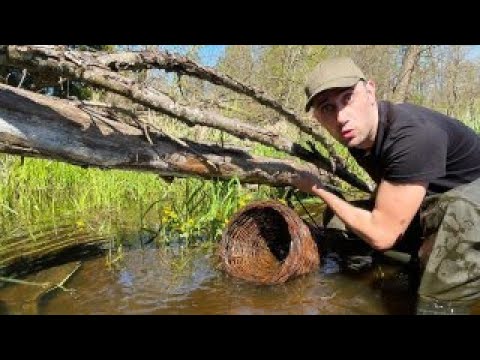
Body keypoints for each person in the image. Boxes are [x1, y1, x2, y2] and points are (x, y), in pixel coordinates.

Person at [292, 56, 480, 314]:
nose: (341, 116)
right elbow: (392, 187)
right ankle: (394, 280)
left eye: (347, 98)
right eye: (327, 108)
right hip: (438, 202)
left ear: (370, 90)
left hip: (467, 210)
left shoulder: (412, 135)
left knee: (435, 299)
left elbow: (382, 235)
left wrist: (318, 189)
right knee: (338, 223)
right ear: (317, 117)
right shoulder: (360, 136)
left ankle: (441, 297)